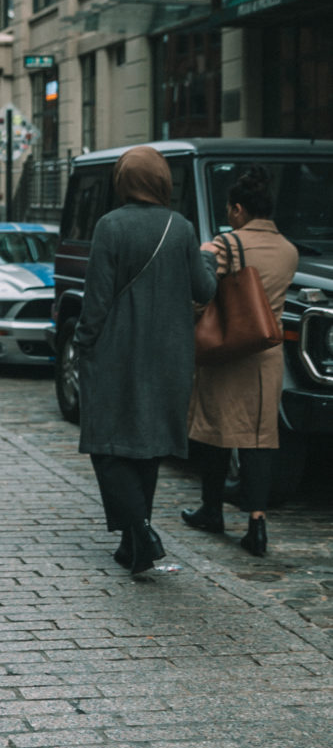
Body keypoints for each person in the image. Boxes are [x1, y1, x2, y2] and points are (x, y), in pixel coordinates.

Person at [75, 145, 215, 575]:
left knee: (107, 443)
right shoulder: (183, 227)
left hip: (117, 350)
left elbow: (97, 298)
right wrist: (207, 258)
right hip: (170, 355)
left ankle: (142, 529)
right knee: (147, 447)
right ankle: (134, 548)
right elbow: (204, 291)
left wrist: (83, 342)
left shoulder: (110, 226)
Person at [183, 166, 298, 558]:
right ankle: (257, 524)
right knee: (259, 440)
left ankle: (211, 510)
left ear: (237, 208)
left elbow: (202, 296)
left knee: (215, 431)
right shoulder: (288, 249)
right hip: (266, 354)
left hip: (227, 350)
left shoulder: (224, 244)